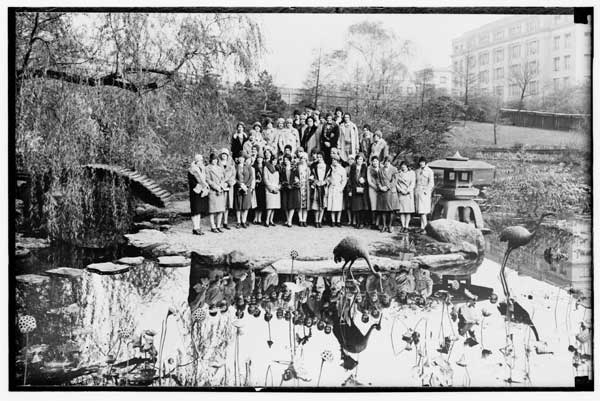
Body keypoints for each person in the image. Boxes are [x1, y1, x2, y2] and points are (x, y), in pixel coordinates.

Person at [377, 156, 399, 233]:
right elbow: (378, 180)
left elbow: (395, 180)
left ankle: (390, 226)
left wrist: (387, 187)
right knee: (383, 210)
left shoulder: (394, 169)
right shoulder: (380, 170)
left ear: (390, 162)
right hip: (382, 191)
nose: (386, 163)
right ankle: (384, 226)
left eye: (388, 161)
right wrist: (380, 187)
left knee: (390, 210)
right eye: (385, 161)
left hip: (390, 191)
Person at [188, 154, 209, 235]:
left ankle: (198, 227)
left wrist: (204, 187)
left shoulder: (202, 168)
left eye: (201, 160)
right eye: (199, 160)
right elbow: (191, 182)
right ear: (196, 161)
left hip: (201, 191)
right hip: (195, 191)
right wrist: (199, 186)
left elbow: (204, 179)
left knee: (199, 210)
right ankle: (195, 228)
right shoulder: (191, 170)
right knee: (195, 210)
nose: (201, 161)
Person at [205, 153, 227, 233]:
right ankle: (213, 226)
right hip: (213, 190)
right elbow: (207, 179)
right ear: (210, 160)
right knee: (213, 210)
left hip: (220, 190)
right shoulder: (207, 168)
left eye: (216, 159)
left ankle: (218, 225)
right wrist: (216, 187)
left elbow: (223, 178)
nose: (214, 161)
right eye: (213, 159)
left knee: (220, 210)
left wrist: (221, 186)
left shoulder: (219, 168)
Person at [347, 153, 369, 228]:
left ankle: (362, 222)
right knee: (356, 207)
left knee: (362, 207)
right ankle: (357, 222)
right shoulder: (353, 167)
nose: (359, 161)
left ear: (363, 160)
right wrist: (349, 190)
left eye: (361, 159)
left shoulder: (365, 167)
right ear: (356, 160)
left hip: (363, 189)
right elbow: (350, 179)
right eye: (358, 159)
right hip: (354, 189)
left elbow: (368, 178)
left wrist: (364, 180)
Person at [233, 152, 254, 228]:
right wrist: (240, 184)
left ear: (244, 159)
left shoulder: (248, 166)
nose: (241, 159)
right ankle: (238, 221)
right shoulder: (235, 167)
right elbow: (234, 177)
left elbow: (251, 177)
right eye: (240, 157)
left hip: (246, 188)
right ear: (238, 159)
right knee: (238, 205)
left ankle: (243, 221)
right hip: (238, 188)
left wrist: (246, 185)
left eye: (242, 158)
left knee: (245, 205)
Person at [414, 156, 435, 233]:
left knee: (423, 211)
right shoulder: (417, 171)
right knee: (420, 211)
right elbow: (415, 181)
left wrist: (426, 191)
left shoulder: (429, 171)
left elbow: (431, 183)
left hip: (425, 193)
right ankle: (422, 227)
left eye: (423, 162)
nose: (421, 163)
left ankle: (425, 228)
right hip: (418, 191)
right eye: (420, 162)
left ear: (425, 163)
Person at [310, 151, 330, 228]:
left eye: (320, 157)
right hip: (317, 187)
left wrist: (325, 182)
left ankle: (320, 220)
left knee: (322, 205)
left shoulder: (327, 167)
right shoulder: (314, 167)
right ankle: (316, 220)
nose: (319, 158)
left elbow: (329, 177)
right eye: (318, 157)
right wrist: (316, 182)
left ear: (323, 157)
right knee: (316, 204)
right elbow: (312, 177)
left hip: (324, 187)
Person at [279, 154, 300, 227]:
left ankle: (290, 220)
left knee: (292, 205)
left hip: (293, 188)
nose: (286, 161)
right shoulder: (282, 168)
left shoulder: (294, 168)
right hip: (285, 188)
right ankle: (288, 219)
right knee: (285, 205)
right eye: (284, 160)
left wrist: (294, 183)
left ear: (290, 160)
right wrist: (283, 184)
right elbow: (281, 178)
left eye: (287, 160)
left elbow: (297, 177)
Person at [327, 155, 347, 227]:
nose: (333, 161)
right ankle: (333, 221)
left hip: (338, 188)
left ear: (338, 161)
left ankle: (338, 221)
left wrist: (341, 188)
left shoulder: (342, 169)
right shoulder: (330, 168)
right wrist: (329, 181)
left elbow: (344, 180)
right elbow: (327, 177)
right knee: (332, 204)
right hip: (331, 187)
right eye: (332, 160)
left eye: (335, 160)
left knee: (339, 205)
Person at [396, 161, 416, 232]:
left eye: (404, 166)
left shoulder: (412, 173)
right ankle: (403, 225)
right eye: (402, 166)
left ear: (407, 166)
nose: (403, 168)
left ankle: (406, 226)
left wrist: (408, 190)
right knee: (402, 211)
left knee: (408, 211)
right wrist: (401, 190)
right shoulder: (398, 174)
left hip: (408, 194)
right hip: (401, 193)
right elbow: (396, 183)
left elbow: (413, 183)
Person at [263, 149, 281, 227]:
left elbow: (280, 180)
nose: (274, 162)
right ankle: (267, 220)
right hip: (269, 189)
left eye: (276, 160)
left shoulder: (278, 168)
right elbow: (265, 179)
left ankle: (271, 220)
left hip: (276, 188)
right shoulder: (266, 167)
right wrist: (270, 188)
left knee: (274, 206)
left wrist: (278, 188)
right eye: (273, 160)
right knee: (269, 206)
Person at [219, 148, 236, 230]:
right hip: (221, 186)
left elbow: (233, 175)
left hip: (228, 187)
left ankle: (225, 222)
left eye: (225, 155)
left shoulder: (231, 165)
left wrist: (228, 182)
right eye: (223, 154)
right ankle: (219, 222)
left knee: (227, 205)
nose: (224, 156)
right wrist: (222, 183)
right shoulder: (218, 164)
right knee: (220, 204)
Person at [296, 152, 311, 227]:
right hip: (300, 186)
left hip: (306, 186)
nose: (303, 160)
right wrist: (297, 180)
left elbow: (311, 176)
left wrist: (310, 178)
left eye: (304, 159)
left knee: (305, 205)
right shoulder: (298, 167)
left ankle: (304, 220)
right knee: (300, 204)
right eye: (302, 158)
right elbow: (295, 175)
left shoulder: (308, 168)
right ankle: (300, 219)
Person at [367, 156, 381, 229]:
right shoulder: (369, 169)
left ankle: (378, 223)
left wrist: (380, 187)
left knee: (379, 206)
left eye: (376, 161)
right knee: (373, 206)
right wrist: (375, 187)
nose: (375, 162)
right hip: (372, 189)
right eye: (373, 161)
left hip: (380, 189)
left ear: (378, 161)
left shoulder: (381, 168)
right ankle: (373, 223)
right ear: (371, 162)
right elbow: (369, 181)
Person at [252, 153, 266, 225]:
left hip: (263, 186)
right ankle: (255, 217)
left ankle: (259, 218)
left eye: (261, 158)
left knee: (261, 202)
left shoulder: (265, 167)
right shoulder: (254, 166)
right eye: (258, 158)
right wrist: (255, 181)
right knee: (256, 201)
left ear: (263, 159)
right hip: (256, 186)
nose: (259, 159)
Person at [343, 155, 355, 225]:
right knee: (348, 205)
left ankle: (354, 220)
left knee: (354, 204)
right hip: (347, 187)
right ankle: (349, 220)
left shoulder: (356, 167)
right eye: (349, 159)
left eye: (352, 159)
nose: (350, 160)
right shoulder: (346, 168)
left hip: (354, 187)